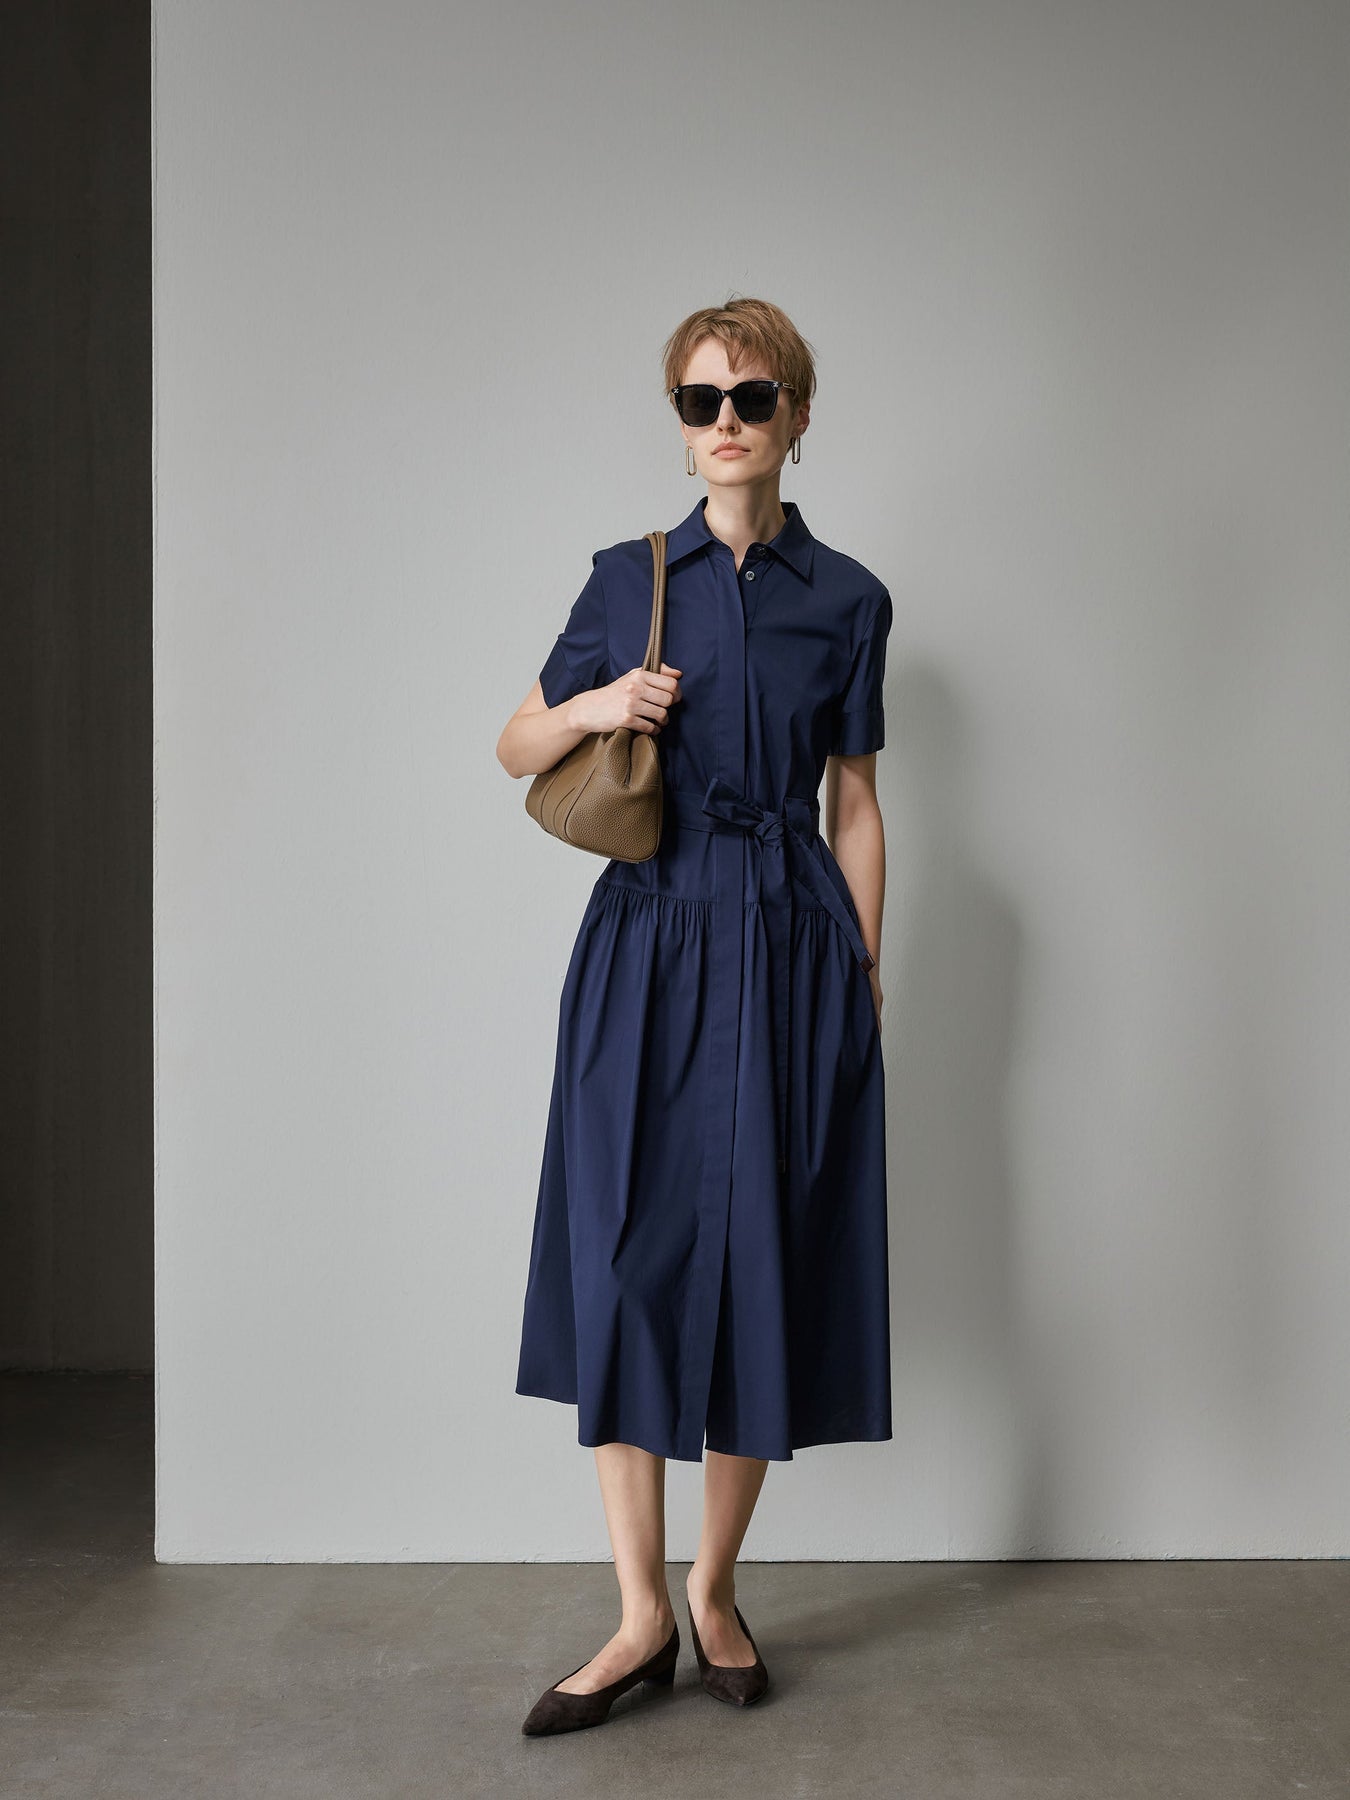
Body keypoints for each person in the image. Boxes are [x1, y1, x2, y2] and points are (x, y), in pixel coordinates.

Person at [497, 296, 893, 1737]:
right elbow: (514, 743)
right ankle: (638, 1614)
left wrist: (861, 974)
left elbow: (855, 801)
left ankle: (715, 1591)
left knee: (760, 1262)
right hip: (649, 940)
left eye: (752, 395)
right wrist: (602, 701)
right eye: (698, 399)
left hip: (788, 943)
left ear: (796, 415)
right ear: (677, 425)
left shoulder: (849, 599)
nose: (725, 421)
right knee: (622, 1259)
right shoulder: (627, 578)